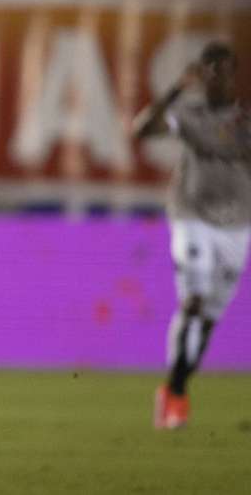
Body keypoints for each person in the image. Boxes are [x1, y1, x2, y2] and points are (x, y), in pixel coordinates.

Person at [133, 42, 250, 430]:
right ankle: (178, 397)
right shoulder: (187, 113)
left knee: (211, 318)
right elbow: (143, 130)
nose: (217, 77)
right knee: (195, 302)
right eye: (209, 69)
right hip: (192, 216)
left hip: (237, 223)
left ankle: (174, 387)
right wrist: (175, 90)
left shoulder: (245, 120)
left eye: (224, 70)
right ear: (201, 74)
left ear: (234, 74)